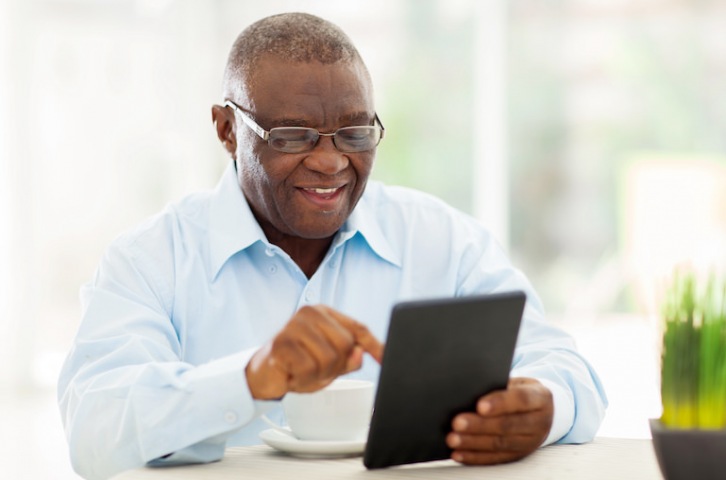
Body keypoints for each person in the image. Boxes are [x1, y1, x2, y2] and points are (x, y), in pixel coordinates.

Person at [58, 12, 607, 480]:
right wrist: (251, 377)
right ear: (227, 130)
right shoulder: (153, 259)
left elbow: (567, 367)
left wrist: (544, 406)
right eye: (291, 136)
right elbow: (94, 427)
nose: (330, 161)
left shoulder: (442, 241)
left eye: (355, 132)